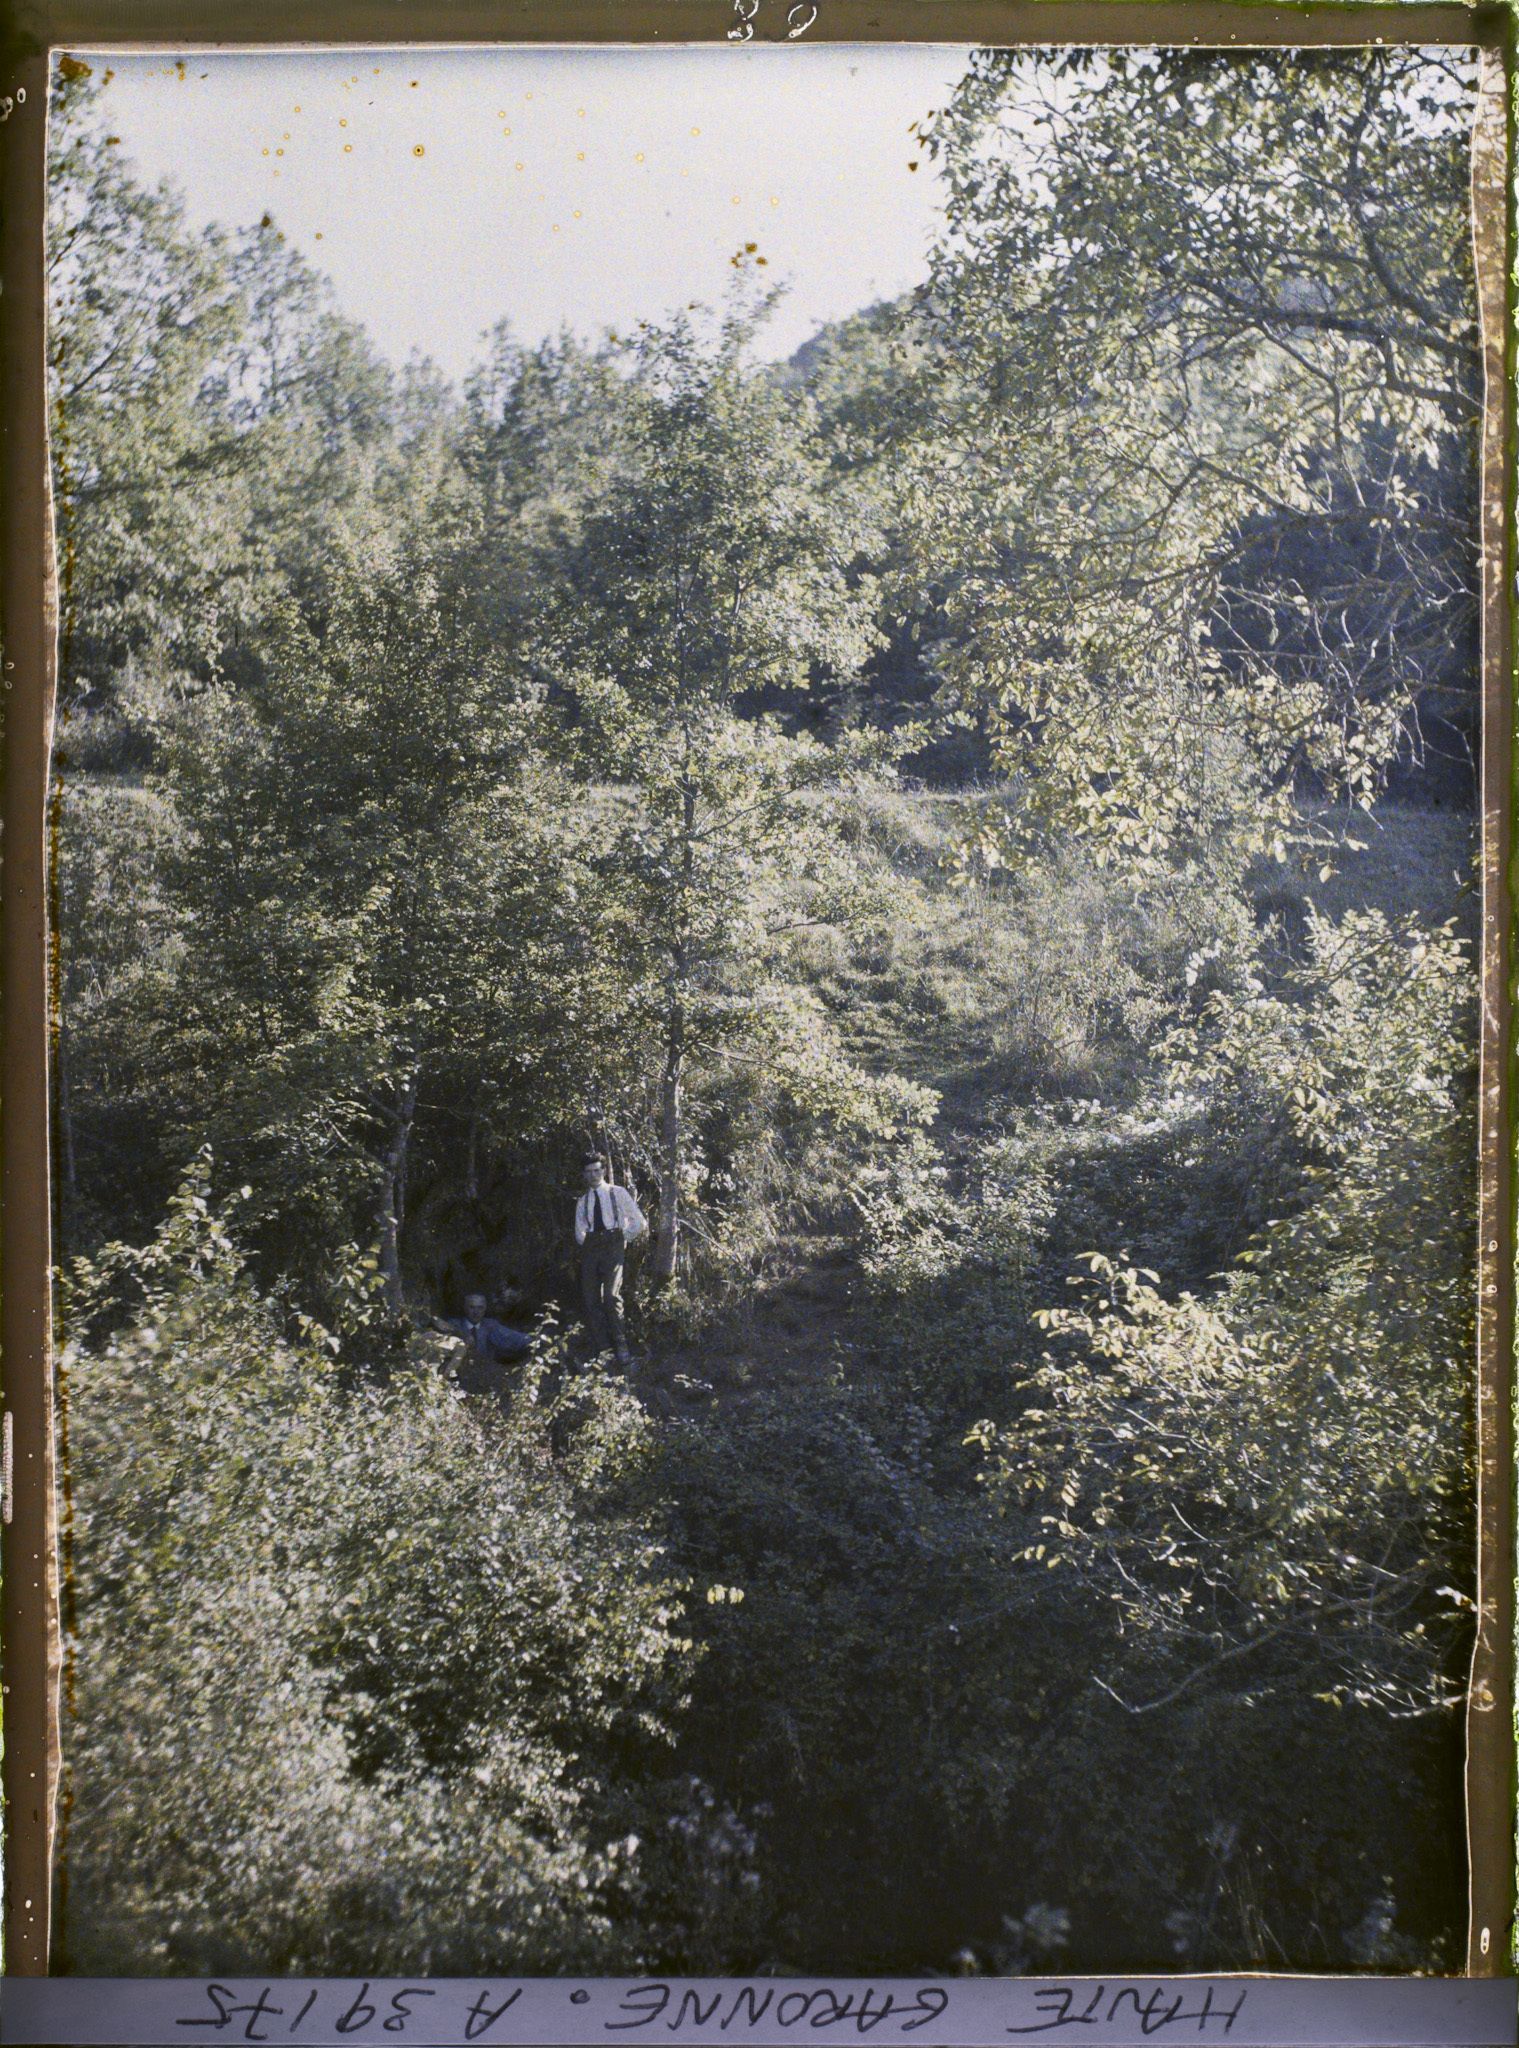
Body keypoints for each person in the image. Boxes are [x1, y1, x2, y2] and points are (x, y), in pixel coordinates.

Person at [575, 1153, 646, 1367]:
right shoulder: (583, 1201)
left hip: (613, 1244)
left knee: (611, 1296)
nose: (593, 1175)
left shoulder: (617, 1193)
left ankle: (621, 1346)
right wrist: (590, 1243)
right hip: (591, 1248)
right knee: (590, 1299)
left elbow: (639, 1222)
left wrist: (623, 1237)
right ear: (583, 1175)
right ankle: (604, 1350)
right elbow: (579, 1232)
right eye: (589, 1172)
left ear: (604, 1171)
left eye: (597, 1170)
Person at [436, 1291, 533, 1366]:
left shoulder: (490, 1325)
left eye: (480, 1308)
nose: (476, 1312)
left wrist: (534, 1341)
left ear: (485, 1308)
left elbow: (514, 1338)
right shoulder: (454, 1324)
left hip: (485, 1374)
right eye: (472, 1307)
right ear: (464, 1307)